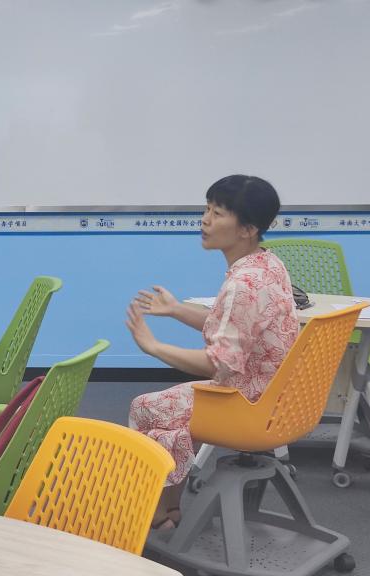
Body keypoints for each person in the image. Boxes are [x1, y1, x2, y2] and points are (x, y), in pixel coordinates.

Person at [124, 175, 298, 528]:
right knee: (164, 413)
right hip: (279, 395)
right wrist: (176, 309)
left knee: (146, 408)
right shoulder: (267, 264)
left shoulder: (242, 283)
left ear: (247, 229)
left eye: (217, 214)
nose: (205, 220)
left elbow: (219, 364)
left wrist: (154, 347)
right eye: (206, 210)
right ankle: (166, 510)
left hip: (248, 402)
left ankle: (160, 509)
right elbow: (235, 328)